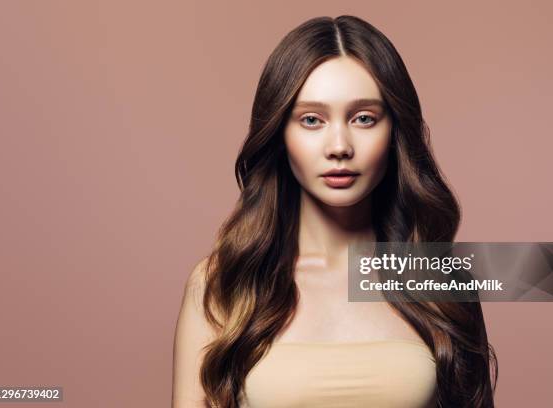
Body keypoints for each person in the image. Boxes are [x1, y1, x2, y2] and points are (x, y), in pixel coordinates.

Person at [172, 15, 497, 408]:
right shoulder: (223, 282)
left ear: (395, 133)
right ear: (280, 135)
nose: (339, 146)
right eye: (312, 120)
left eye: (364, 118)